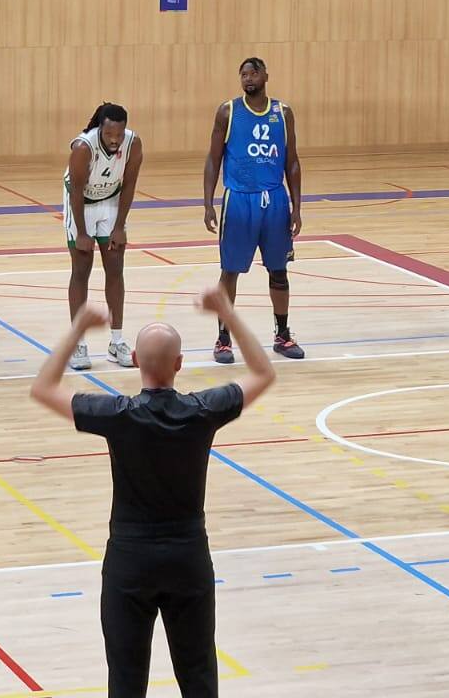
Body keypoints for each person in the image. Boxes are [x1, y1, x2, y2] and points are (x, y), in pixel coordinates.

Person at [30, 287, 274, 698]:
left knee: (125, 682)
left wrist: (79, 329)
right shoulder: (203, 411)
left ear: (135, 360)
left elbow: (43, 387)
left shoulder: (118, 415)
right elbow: (264, 373)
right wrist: (226, 312)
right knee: (199, 678)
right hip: (188, 558)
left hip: (129, 561)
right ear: (179, 364)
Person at [202, 57, 304, 364]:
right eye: (243, 74)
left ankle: (283, 335)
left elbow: (293, 162)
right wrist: (208, 202)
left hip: (274, 200)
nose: (248, 79)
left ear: (265, 76)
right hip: (239, 201)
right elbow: (212, 159)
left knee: (279, 270)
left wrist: (297, 207)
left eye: (253, 73)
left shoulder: (282, 113)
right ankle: (223, 339)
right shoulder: (228, 111)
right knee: (229, 271)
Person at [64, 102, 144, 371]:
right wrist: (82, 232)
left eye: (119, 135)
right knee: (81, 270)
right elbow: (76, 190)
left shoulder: (133, 144)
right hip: (81, 204)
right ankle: (78, 343)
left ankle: (116, 341)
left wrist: (120, 226)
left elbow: (130, 183)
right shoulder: (83, 148)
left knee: (115, 268)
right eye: (109, 135)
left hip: (110, 201)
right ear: (101, 128)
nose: (114, 140)